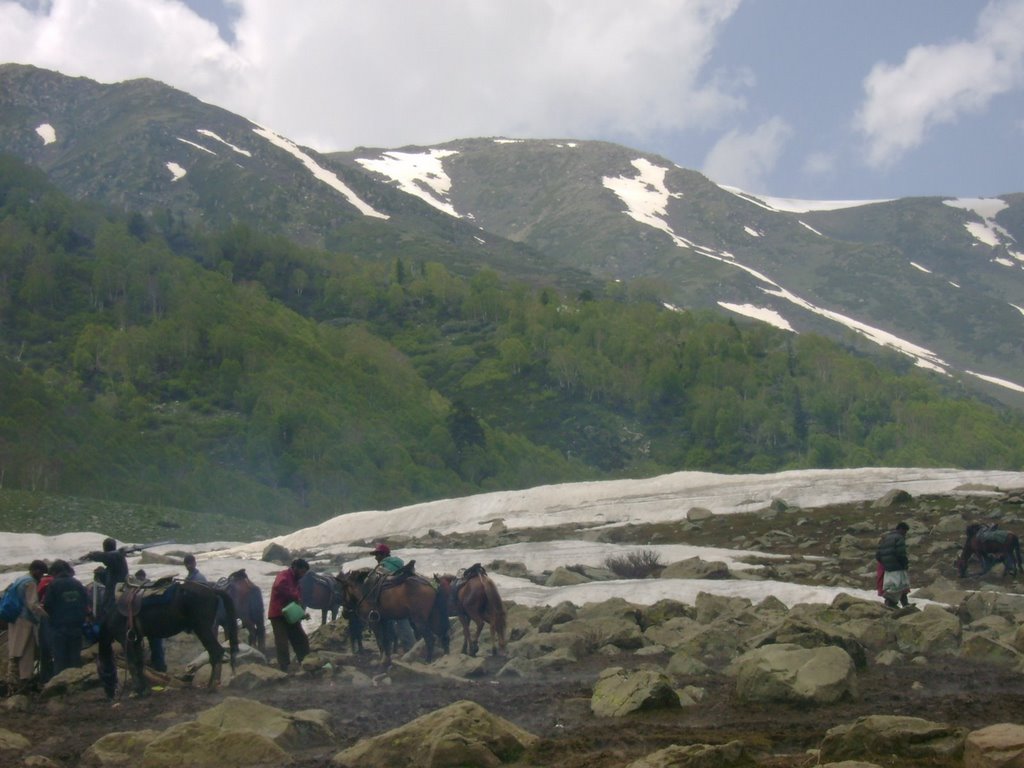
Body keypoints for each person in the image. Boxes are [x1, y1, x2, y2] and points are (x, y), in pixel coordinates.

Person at [6, 560, 49, 694]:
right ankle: (24, 682)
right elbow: (33, 605)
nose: (41, 576)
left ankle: (12, 683)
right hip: (25, 622)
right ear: (35, 570)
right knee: (26, 651)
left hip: (14, 620)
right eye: (41, 573)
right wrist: (46, 616)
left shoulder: (20, 579)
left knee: (15, 651)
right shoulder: (30, 582)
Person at [42, 560, 88, 676]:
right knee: (75, 659)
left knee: (60, 660)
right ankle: (77, 685)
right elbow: (86, 602)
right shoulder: (77, 583)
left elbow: (47, 605)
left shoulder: (53, 585)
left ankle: (60, 688)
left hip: (59, 628)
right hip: (77, 627)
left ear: (55, 572)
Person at [267, 558, 310, 672]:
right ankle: (283, 669)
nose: (303, 575)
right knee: (282, 642)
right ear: (296, 568)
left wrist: (302, 614)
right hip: (278, 614)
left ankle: (305, 662)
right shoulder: (284, 575)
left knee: (301, 638)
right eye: (302, 572)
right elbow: (279, 587)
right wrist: (295, 595)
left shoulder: (296, 581)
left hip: (290, 615)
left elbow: (297, 600)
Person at [84, 538, 128, 619]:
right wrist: (101, 573)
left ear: (104, 548)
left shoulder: (117, 556)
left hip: (116, 595)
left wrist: (92, 555)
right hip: (111, 595)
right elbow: (107, 581)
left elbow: (104, 556)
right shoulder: (113, 564)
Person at [876, 522, 912, 608]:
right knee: (900, 585)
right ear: (901, 529)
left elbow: (878, 555)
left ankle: (902, 603)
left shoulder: (886, 538)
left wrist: (886, 564)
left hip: (888, 568)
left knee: (894, 586)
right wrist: (905, 564)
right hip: (897, 566)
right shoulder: (899, 538)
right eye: (905, 531)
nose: (905, 534)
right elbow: (901, 554)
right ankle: (892, 603)